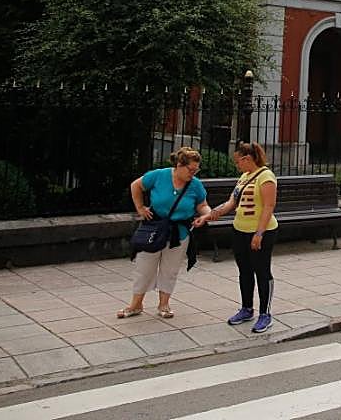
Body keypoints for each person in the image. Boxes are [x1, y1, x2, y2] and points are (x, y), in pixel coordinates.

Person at [118, 146, 211, 319]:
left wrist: (206, 215)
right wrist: (140, 208)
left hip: (179, 232)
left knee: (170, 269)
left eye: (196, 170)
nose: (193, 173)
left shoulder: (195, 185)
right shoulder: (159, 175)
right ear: (179, 165)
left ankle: (164, 304)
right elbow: (136, 186)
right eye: (191, 169)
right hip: (154, 228)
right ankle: (136, 304)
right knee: (144, 266)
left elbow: (202, 204)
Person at [199, 141, 279, 333]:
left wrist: (259, 233)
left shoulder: (266, 177)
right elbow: (232, 202)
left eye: (238, 161)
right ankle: (246, 308)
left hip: (261, 232)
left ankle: (265, 314)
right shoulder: (244, 177)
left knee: (262, 271)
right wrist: (208, 216)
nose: (237, 165)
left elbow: (269, 206)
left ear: (248, 159)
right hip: (240, 230)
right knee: (244, 271)